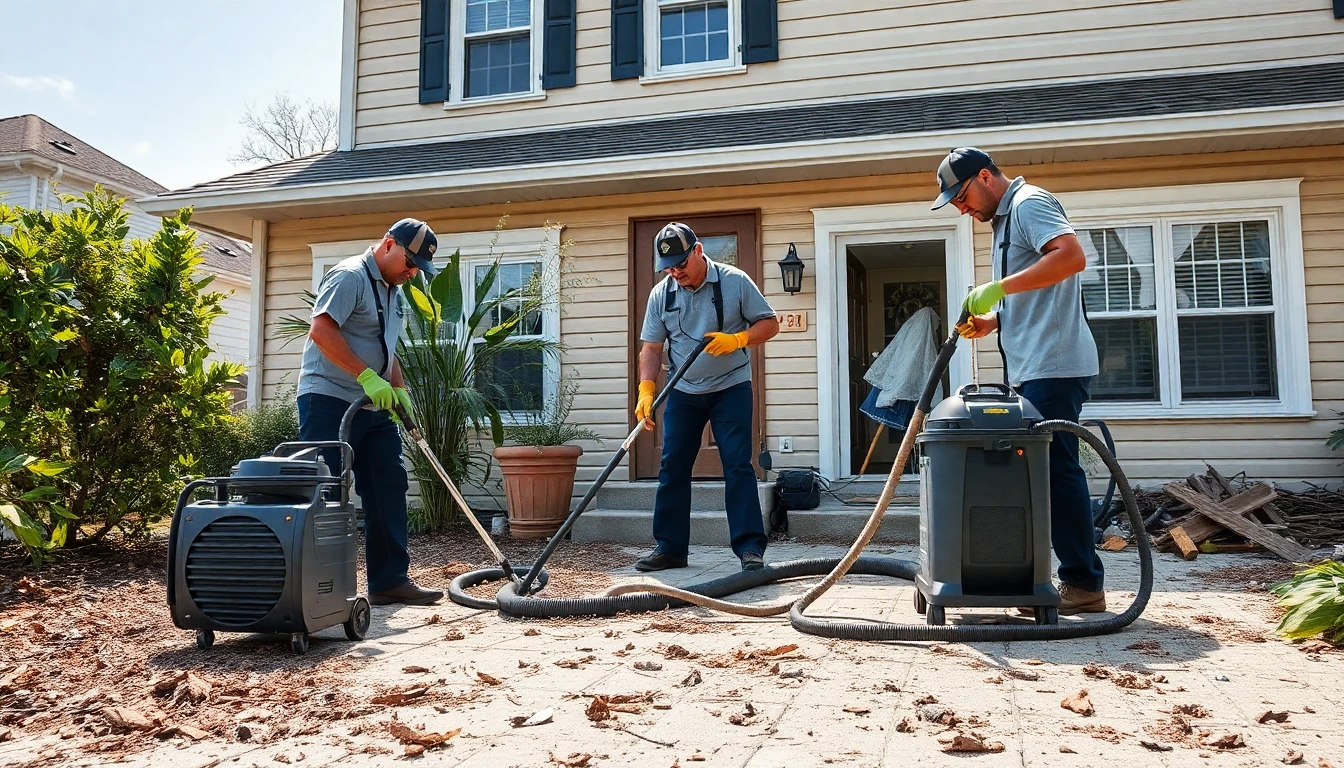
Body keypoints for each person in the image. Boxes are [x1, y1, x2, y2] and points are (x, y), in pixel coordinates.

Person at [931, 147, 1106, 615]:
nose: (962, 209)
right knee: (1039, 472)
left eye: (962, 197)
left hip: (1055, 362)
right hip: (1034, 363)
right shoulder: (1005, 221)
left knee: (1055, 470)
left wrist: (998, 289)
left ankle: (1083, 583)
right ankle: (1052, 577)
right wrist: (994, 322)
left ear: (985, 177)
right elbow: (1039, 293)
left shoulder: (1030, 203)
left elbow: (1070, 259)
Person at [297, 217, 445, 606]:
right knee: (323, 489)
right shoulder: (349, 277)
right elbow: (322, 331)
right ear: (388, 244)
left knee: (388, 483)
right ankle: (314, 589)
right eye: (409, 262)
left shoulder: (393, 289)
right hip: (328, 400)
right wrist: (365, 376)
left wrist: (398, 390)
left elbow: (386, 348)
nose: (412, 272)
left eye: (418, 268)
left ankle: (389, 581)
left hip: (374, 402)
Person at [633, 222, 780, 572]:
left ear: (698, 251)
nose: (675, 272)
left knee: (737, 465)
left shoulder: (735, 281)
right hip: (683, 390)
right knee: (672, 467)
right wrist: (646, 389)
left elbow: (770, 323)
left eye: (681, 264)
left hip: (731, 386)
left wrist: (738, 340)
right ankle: (670, 549)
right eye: (668, 267)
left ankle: (749, 550)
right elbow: (651, 348)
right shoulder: (662, 295)